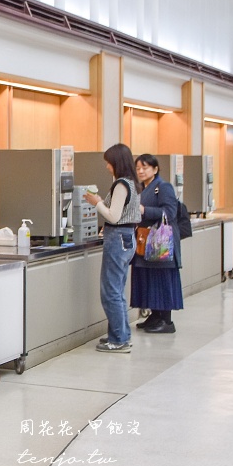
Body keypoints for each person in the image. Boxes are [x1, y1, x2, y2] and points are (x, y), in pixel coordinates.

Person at [83, 144, 142, 353]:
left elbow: (113, 216)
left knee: (110, 292)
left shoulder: (121, 185)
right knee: (117, 290)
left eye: (109, 162)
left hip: (117, 238)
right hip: (127, 238)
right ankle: (122, 334)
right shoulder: (133, 183)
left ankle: (118, 340)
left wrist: (96, 202)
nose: (107, 166)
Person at [130, 153, 183, 333]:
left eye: (145, 167)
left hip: (161, 241)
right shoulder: (143, 188)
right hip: (146, 241)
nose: (141, 171)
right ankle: (155, 314)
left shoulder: (163, 187)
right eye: (138, 168)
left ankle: (166, 320)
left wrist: (145, 210)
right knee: (149, 278)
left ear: (155, 169)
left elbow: (169, 213)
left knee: (161, 278)